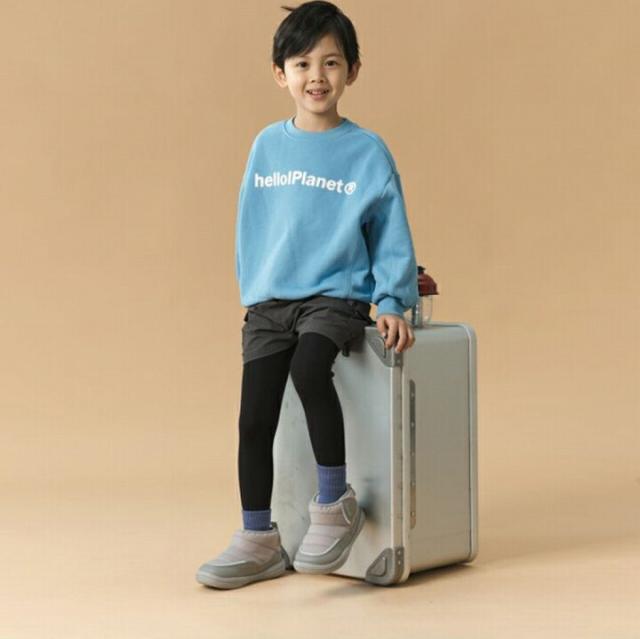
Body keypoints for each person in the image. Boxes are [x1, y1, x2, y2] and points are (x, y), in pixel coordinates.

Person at [196, 0, 419, 589]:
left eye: (331, 62)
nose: (316, 76)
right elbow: (253, 224)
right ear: (280, 74)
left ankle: (334, 503)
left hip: (334, 296)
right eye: (301, 64)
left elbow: (391, 232)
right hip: (271, 302)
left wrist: (392, 300)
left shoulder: (367, 151)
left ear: (352, 71)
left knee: (309, 369)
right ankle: (258, 538)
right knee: (253, 418)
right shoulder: (266, 146)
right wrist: (256, 288)